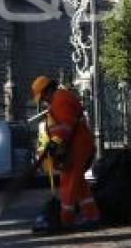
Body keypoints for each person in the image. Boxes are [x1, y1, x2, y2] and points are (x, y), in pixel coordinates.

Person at [31, 76, 101, 231]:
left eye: (43, 97)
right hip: (73, 147)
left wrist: (55, 143)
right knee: (78, 183)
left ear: (48, 90)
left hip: (78, 147)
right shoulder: (60, 99)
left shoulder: (60, 100)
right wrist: (54, 144)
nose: (43, 101)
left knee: (68, 182)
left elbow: (65, 127)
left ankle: (65, 219)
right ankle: (92, 215)